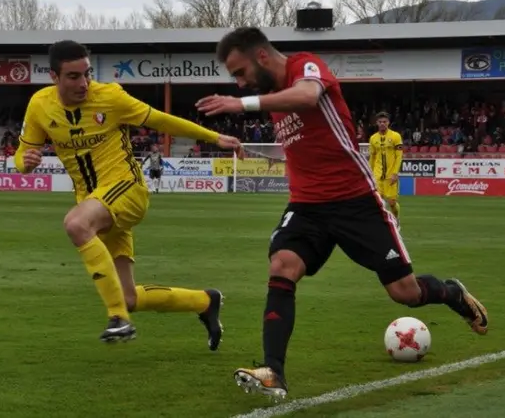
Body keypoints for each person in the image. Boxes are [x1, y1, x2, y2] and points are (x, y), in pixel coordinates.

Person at [195, 27, 488, 400]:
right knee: (282, 265)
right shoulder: (271, 96)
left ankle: (450, 294)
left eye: (239, 72)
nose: (239, 84)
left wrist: (241, 104)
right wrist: (257, 153)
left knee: (405, 292)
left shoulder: (306, 67)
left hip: (355, 202)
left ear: (262, 57)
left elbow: (307, 96)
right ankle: (273, 372)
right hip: (307, 206)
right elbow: (302, 147)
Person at [15, 40, 242, 347]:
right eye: (73, 76)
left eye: (87, 74)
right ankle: (204, 301)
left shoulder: (110, 97)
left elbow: (161, 119)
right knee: (129, 296)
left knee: (76, 224)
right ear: (54, 77)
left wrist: (214, 137)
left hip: (127, 190)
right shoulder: (40, 105)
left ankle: (118, 319)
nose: (83, 83)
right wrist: (24, 162)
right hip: (94, 203)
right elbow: (25, 151)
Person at [368, 112, 403, 224]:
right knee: (377, 202)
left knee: (392, 202)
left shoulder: (395, 136)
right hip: (377, 175)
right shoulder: (373, 138)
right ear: (376, 123)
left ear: (388, 123)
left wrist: (395, 173)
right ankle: (382, 223)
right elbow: (372, 157)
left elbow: (399, 156)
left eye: (384, 122)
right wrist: (370, 173)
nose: (382, 124)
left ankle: (396, 218)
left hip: (390, 175)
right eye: (380, 122)